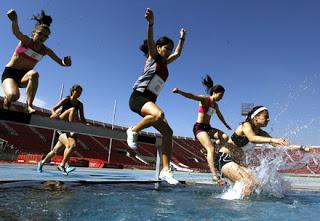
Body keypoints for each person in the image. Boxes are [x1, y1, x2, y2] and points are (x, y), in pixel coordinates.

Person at [127, 8, 186, 185]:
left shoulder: (166, 63)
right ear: (158, 48)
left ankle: (165, 171)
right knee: (159, 115)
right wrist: (151, 23)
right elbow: (151, 40)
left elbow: (178, 54)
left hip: (149, 101)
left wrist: (182, 38)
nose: (168, 52)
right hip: (138, 97)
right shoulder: (152, 58)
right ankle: (133, 130)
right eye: (165, 48)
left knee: (168, 132)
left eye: (169, 49)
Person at [2, 9, 71, 113]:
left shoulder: (45, 50)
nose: (42, 38)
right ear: (34, 33)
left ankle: (28, 106)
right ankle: (7, 101)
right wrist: (14, 21)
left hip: (24, 77)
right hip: (10, 73)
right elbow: (16, 32)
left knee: (34, 74)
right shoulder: (26, 41)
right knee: (13, 96)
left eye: (45, 36)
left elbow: (61, 62)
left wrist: (66, 63)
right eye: (40, 34)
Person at [216, 106, 293, 197]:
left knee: (257, 184)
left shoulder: (261, 133)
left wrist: (302, 147)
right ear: (255, 117)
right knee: (248, 183)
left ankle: (235, 203)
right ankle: (239, 208)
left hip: (237, 163)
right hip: (224, 158)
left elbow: (281, 146)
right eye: (266, 116)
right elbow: (252, 138)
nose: (268, 119)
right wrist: (272, 140)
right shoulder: (245, 125)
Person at [172, 75, 231, 184]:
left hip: (208, 128)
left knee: (225, 137)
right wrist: (180, 91)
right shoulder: (205, 99)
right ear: (215, 92)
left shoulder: (216, 105)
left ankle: (215, 153)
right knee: (211, 149)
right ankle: (214, 175)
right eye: (221, 95)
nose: (221, 97)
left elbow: (219, 115)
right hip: (199, 127)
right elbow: (191, 96)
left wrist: (226, 124)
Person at [37, 84, 87, 175]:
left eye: (81, 92)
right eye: (78, 91)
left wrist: (87, 124)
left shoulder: (80, 105)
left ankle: (41, 163)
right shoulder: (66, 99)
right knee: (71, 144)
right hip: (62, 125)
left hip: (68, 129)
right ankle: (63, 165)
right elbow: (53, 108)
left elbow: (83, 119)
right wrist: (54, 114)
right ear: (73, 91)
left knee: (54, 151)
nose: (79, 93)